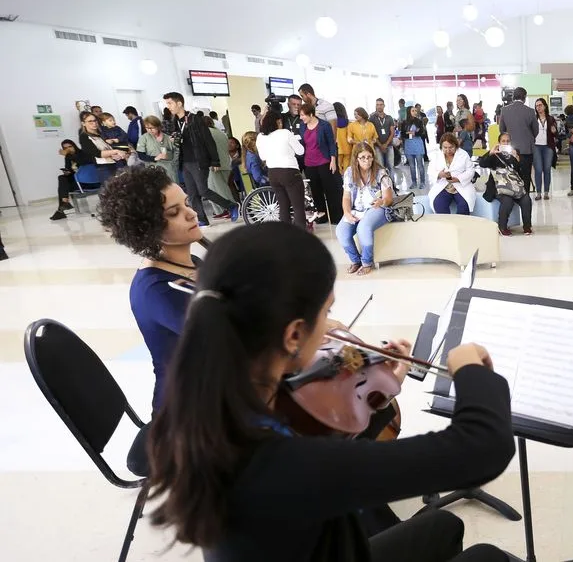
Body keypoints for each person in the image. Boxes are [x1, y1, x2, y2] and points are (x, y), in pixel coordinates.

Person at [144, 222, 513, 562]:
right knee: (487, 558)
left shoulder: (211, 400)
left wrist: (380, 390)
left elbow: (332, 449)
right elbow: (483, 448)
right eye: (326, 312)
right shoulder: (282, 466)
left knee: (443, 526)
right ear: (292, 334)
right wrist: (468, 370)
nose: (331, 335)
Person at [96, 167, 203, 474]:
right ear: (147, 228)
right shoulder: (156, 290)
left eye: (185, 203)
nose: (191, 214)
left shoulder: (191, 263)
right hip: (188, 411)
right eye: (174, 212)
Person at [163, 93, 239, 226]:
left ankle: (231, 206)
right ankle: (202, 219)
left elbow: (208, 140)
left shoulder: (195, 119)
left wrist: (215, 160)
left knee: (203, 190)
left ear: (179, 103)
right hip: (185, 161)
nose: (168, 106)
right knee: (192, 193)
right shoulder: (175, 121)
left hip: (198, 160)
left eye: (170, 103)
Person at [336, 143, 395, 275]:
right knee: (341, 231)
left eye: (369, 157)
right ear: (356, 158)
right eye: (362, 157)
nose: (367, 161)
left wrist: (382, 201)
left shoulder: (381, 172)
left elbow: (389, 199)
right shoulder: (349, 173)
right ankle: (355, 261)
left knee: (363, 227)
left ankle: (367, 262)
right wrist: (346, 213)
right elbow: (346, 197)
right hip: (356, 209)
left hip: (377, 208)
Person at [257, 111, 306, 229]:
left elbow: (263, 157)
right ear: (278, 121)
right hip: (289, 172)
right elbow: (300, 151)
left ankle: (285, 234)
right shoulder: (285, 133)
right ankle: (301, 235)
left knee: (283, 206)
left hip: (273, 173)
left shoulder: (260, 136)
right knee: (297, 206)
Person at [480, 133, 533, 236]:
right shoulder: (494, 154)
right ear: (499, 142)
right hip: (499, 187)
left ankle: (527, 226)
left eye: (508, 141)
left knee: (526, 200)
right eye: (503, 141)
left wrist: (518, 160)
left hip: (514, 186)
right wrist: (490, 153)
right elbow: (483, 163)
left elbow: (523, 173)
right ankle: (502, 227)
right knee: (507, 201)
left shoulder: (515, 153)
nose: (505, 143)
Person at [299, 102, 342, 225]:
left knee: (330, 190)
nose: (301, 118)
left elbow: (331, 143)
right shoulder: (303, 127)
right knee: (316, 191)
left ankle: (336, 217)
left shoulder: (324, 125)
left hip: (324, 161)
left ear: (311, 114)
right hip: (309, 163)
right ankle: (322, 216)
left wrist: (333, 160)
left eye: (303, 115)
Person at [497, 87, 539, 192]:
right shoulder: (530, 111)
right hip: (526, 150)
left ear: (513, 96)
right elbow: (536, 131)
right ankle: (525, 198)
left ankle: (513, 198)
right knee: (526, 176)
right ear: (524, 97)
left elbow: (501, 130)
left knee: (511, 176)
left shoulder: (505, 110)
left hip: (509, 150)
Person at [427, 133, 476, 215]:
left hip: (461, 186)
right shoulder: (436, 155)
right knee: (439, 205)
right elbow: (430, 170)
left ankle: (460, 226)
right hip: (444, 186)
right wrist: (439, 174)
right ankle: (447, 226)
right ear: (441, 146)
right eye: (445, 147)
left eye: (451, 147)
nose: (448, 150)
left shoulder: (463, 154)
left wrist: (458, 179)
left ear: (456, 146)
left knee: (464, 205)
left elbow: (470, 170)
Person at [136, 115, 178, 182]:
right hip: (153, 169)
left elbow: (175, 153)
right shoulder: (144, 138)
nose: (149, 130)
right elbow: (141, 155)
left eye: (152, 128)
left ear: (158, 126)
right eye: (147, 128)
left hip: (169, 169)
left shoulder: (167, 137)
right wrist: (154, 158)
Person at [49, 139, 83, 220]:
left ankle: (61, 210)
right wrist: (67, 172)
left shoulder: (82, 154)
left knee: (63, 184)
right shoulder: (68, 157)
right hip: (76, 181)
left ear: (74, 145)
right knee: (62, 178)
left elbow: (81, 163)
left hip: (85, 181)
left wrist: (68, 155)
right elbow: (70, 170)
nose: (68, 149)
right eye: (65, 148)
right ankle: (64, 202)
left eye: (70, 147)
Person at [532, 98, 557, 200]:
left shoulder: (551, 119)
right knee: (538, 169)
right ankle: (538, 192)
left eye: (540, 105)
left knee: (547, 169)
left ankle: (546, 192)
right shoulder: (533, 119)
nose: (538, 107)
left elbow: (557, 134)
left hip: (548, 146)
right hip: (536, 146)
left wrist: (554, 131)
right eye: (537, 106)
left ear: (545, 106)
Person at [403, 105, 428, 190]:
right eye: (413, 111)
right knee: (412, 166)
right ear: (409, 112)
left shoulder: (419, 121)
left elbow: (421, 132)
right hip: (408, 145)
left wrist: (413, 133)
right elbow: (403, 134)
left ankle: (422, 182)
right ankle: (413, 182)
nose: (415, 112)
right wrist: (410, 133)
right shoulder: (404, 122)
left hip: (417, 144)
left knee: (420, 165)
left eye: (415, 111)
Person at [370, 98, 396, 170]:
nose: (379, 106)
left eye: (381, 105)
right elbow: (372, 134)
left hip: (389, 145)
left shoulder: (389, 118)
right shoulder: (372, 118)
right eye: (377, 105)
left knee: (391, 166)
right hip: (377, 146)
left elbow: (392, 132)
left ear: (384, 106)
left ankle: (392, 181)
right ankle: (382, 181)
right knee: (380, 167)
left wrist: (385, 144)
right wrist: (380, 145)